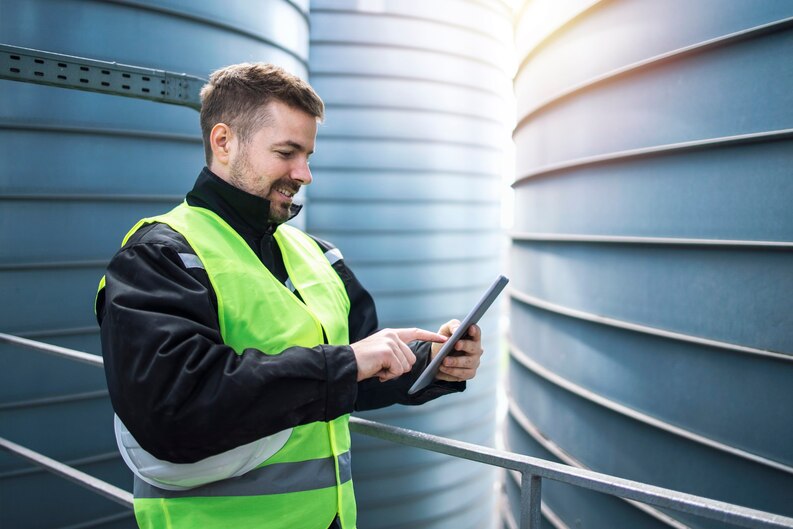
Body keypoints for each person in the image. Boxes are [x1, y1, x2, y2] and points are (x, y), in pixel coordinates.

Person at [95, 62, 484, 529]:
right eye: (287, 152)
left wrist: (432, 362)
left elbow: (355, 371)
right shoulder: (160, 255)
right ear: (224, 142)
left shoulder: (317, 254)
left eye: (308, 155)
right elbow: (173, 408)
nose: (304, 173)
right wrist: (346, 363)